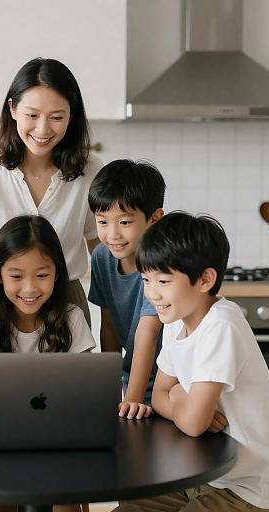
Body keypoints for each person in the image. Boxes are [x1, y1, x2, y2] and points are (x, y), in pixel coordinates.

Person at [117, 212, 269, 511]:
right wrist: (185, 400)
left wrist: (180, 397)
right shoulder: (174, 321)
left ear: (205, 280)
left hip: (248, 488)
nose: (152, 293)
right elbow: (159, 396)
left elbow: (193, 423)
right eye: (146, 279)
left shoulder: (221, 326)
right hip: (201, 474)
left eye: (163, 281)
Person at [0, 214, 94, 512]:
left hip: (58, 443)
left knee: (64, 504)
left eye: (42, 275)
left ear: (57, 273)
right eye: (16, 276)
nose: (29, 289)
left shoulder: (72, 318)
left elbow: (89, 393)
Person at [0, 57, 103, 326]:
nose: (43, 129)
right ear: (12, 109)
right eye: (32, 115)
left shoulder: (90, 168)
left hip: (65, 301)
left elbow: (99, 244)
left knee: (71, 371)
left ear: (73, 114)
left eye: (57, 117)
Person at [87, 159, 164, 419]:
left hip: (171, 389)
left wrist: (132, 400)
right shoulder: (101, 257)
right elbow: (108, 327)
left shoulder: (160, 264)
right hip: (132, 388)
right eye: (103, 221)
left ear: (154, 219)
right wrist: (111, 394)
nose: (113, 234)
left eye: (125, 222)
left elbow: (148, 334)